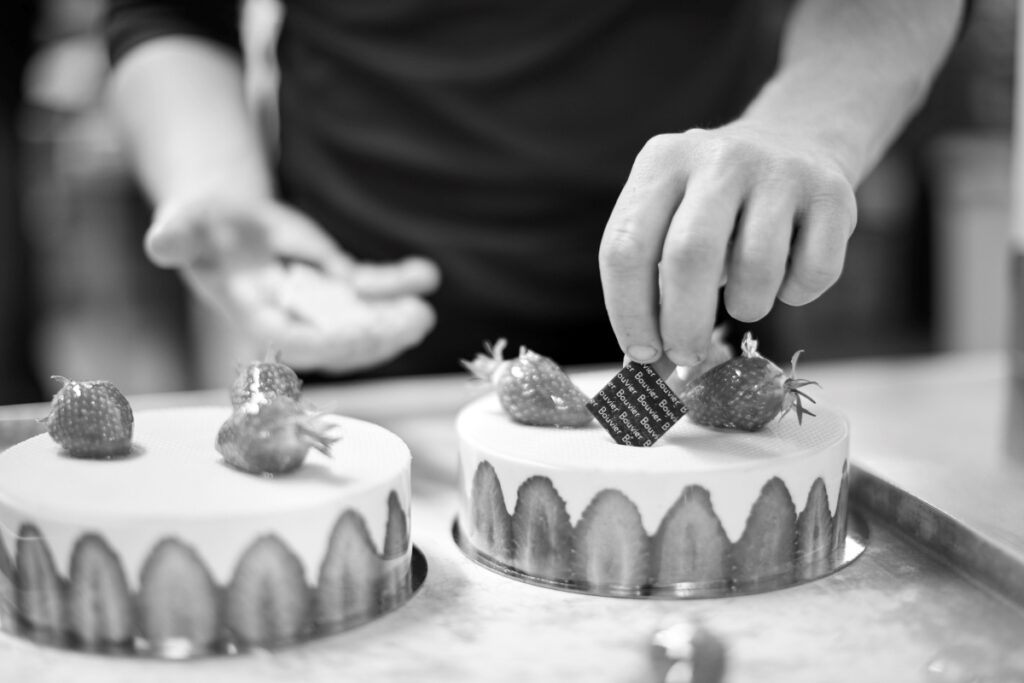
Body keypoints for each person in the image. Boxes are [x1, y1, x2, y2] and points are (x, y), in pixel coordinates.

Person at [104, 0, 966, 379]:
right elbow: (173, 9)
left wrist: (809, 125)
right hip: (360, 313)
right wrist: (213, 180)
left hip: (700, 320)